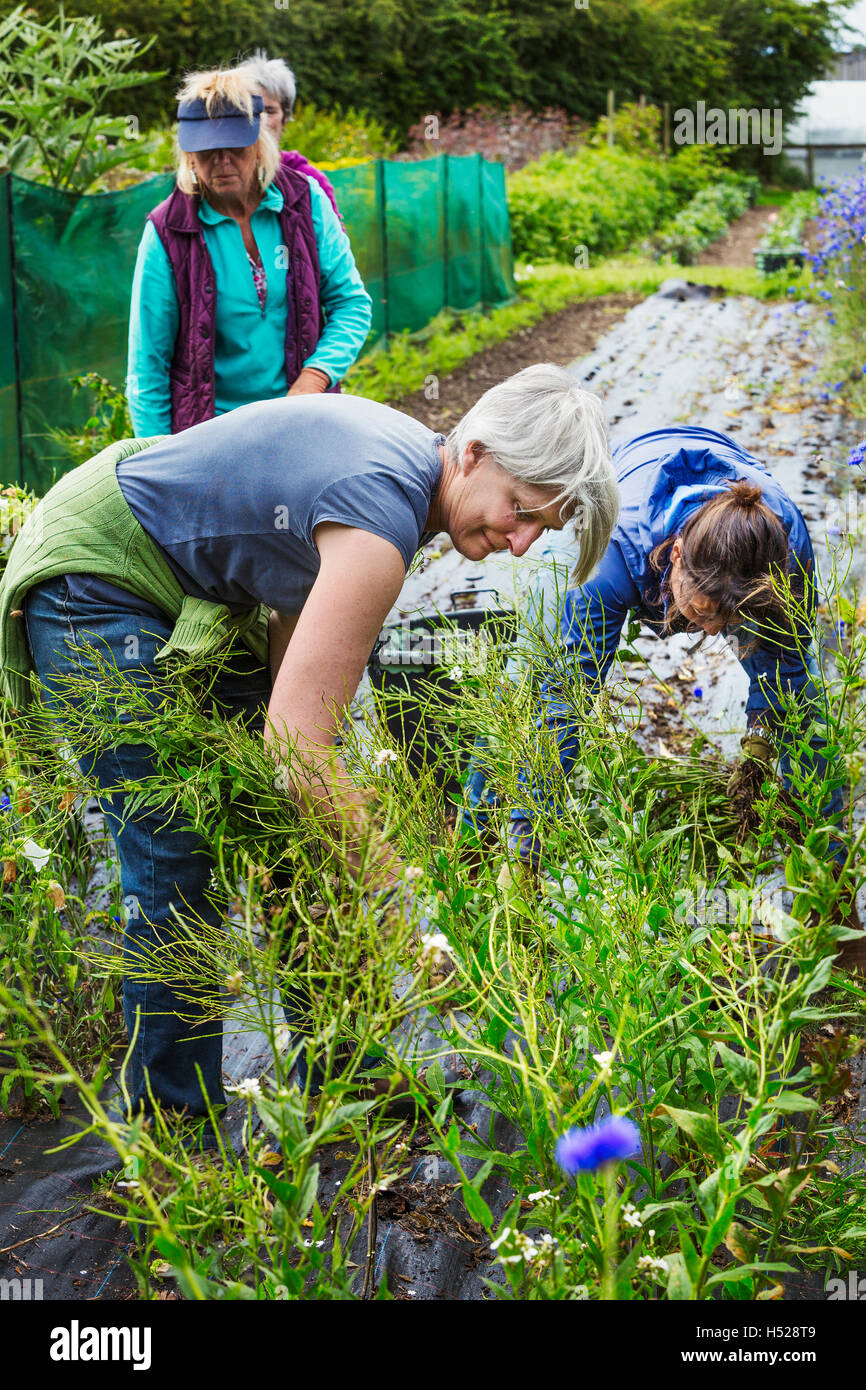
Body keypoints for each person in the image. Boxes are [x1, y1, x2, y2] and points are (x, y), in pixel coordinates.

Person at [0, 367, 619, 1126]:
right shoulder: (379, 522)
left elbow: (291, 689)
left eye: (541, 531)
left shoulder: (413, 485)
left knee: (289, 822)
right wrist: (410, 913)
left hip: (183, 580)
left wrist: (315, 800)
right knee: (174, 844)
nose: (520, 544)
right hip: (96, 575)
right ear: (475, 452)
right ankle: (171, 1123)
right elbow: (302, 752)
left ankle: (339, 1067)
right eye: (520, 510)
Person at [461, 425, 863, 962]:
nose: (715, 633)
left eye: (732, 619)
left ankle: (837, 901)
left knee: (803, 716)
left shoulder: (783, 551)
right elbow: (563, 708)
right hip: (623, 507)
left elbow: (786, 680)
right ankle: (475, 850)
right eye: (702, 613)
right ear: (674, 557)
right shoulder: (605, 557)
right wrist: (526, 841)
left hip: (733, 537)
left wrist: (761, 745)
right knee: (531, 691)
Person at [126, 69, 371, 437]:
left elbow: (351, 304)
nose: (222, 161)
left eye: (235, 147)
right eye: (207, 151)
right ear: (189, 155)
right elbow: (148, 368)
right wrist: (156, 458)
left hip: (303, 419)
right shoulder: (168, 233)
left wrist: (313, 380)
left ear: (258, 143)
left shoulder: (304, 202)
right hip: (211, 435)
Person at [235, 50, 345, 228]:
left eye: (270, 111)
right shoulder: (225, 174)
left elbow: (333, 246)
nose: (262, 119)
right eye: (254, 110)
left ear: (285, 118)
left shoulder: (309, 180)